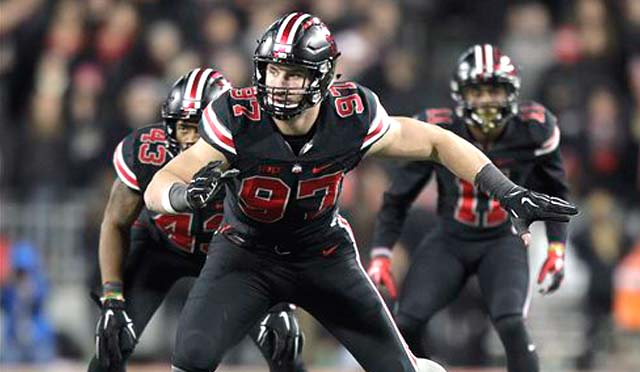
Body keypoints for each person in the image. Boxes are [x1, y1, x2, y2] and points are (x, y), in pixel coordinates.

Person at [143, 14, 577, 372]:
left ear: (324, 76)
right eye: (273, 70)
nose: (279, 83)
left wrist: (506, 191)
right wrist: (183, 197)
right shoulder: (237, 114)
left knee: (400, 370)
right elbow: (160, 184)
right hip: (245, 254)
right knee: (191, 359)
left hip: (322, 255)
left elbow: (437, 141)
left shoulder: (351, 114)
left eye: (293, 73)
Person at [366, 44, 571, 372]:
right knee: (406, 323)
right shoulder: (439, 128)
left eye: (494, 90)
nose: (487, 100)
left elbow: (556, 190)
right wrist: (381, 252)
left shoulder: (533, 128)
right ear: (461, 95)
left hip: (504, 240)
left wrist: (557, 247)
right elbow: (398, 196)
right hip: (451, 239)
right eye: (478, 91)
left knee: (511, 324)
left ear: (511, 93)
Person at [90, 68, 305, 372]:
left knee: (283, 346)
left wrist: (283, 303)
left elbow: (282, 229)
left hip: (233, 258)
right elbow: (115, 222)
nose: (191, 139)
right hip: (160, 247)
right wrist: (112, 296)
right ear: (168, 126)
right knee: (110, 347)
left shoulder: (254, 153)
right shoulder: (146, 152)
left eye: (201, 127)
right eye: (184, 127)